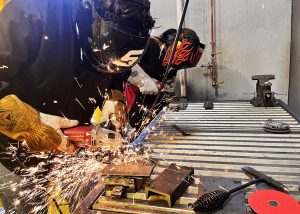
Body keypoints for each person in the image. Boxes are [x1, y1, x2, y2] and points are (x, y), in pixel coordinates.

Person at [0, 0, 155, 154]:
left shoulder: (129, 31)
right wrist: (27, 124)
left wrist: (114, 95)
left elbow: (117, 72)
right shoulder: (29, 13)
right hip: (12, 154)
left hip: (70, 152)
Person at [124, 28, 205, 130]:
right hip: (133, 98)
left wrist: (166, 88)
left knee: (144, 129)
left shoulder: (172, 61)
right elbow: (126, 66)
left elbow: (168, 83)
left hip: (149, 105)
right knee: (128, 130)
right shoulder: (151, 44)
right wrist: (143, 82)